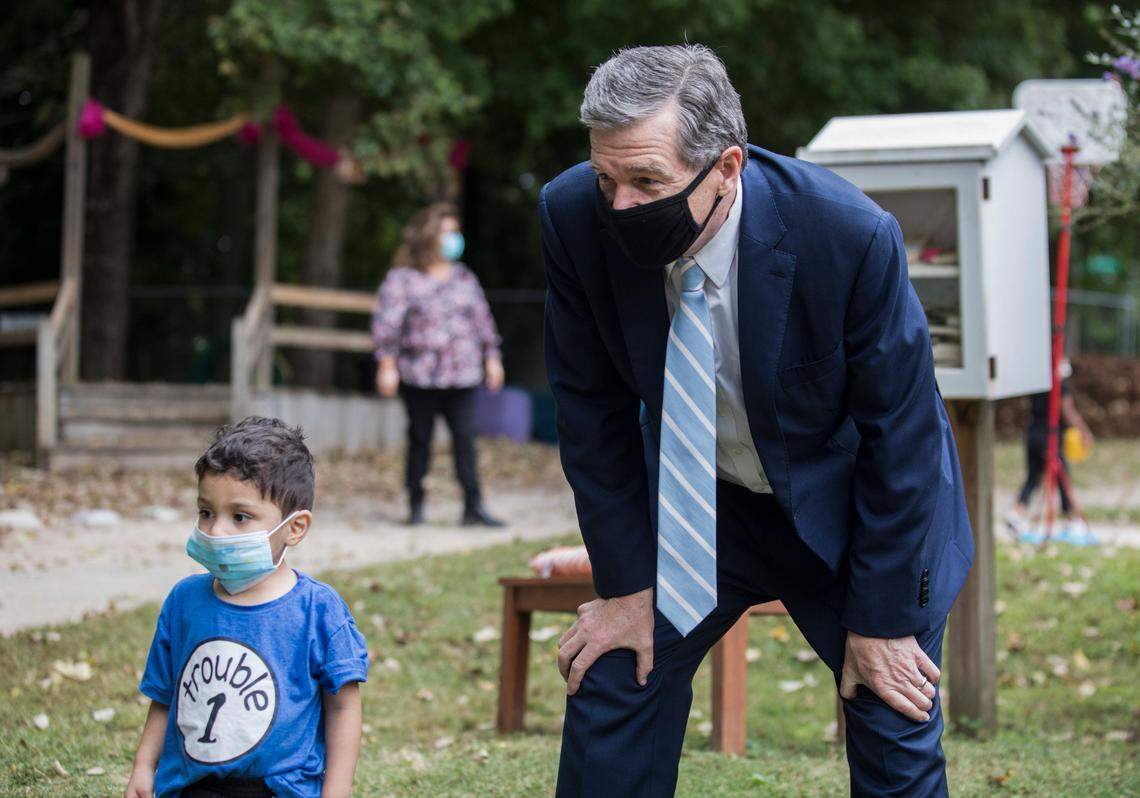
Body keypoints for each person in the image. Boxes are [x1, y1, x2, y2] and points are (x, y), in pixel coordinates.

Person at [541, 44, 973, 797]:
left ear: (727, 169)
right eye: (607, 177)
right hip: (697, 504)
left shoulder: (848, 237)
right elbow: (592, 410)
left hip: (853, 508)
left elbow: (901, 438)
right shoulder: (573, 217)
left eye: (648, 181)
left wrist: (878, 622)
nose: (620, 207)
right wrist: (625, 587)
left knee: (888, 708)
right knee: (615, 674)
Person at [124, 417, 369, 798]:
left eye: (240, 517)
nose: (216, 530)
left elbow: (343, 709)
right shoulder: (183, 601)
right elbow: (164, 695)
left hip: (280, 789)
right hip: (192, 787)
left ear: (295, 527)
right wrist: (144, 766)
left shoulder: (319, 611)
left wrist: (337, 792)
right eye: (206, 512)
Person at [371, 202, 506, 527]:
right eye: (447, 232)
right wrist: (386, 365)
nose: (454, 239)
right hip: (420, 376)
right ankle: (415, 504)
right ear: (429, 236)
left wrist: (493, 359)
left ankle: (473, 506)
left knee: (465, 439)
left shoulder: (464, 277)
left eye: (455, 232)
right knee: (420, 438)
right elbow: (387, 326)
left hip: (463, 374)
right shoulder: (403, 279)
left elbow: (482, 321)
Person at [1006, 357, 1095, 542]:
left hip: (1033, 435)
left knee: (1033, 478)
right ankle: (1071, 520)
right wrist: (1084, 431)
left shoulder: (1039, 384)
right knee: (1062, 476)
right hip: (1050, 437)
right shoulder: (1059, 386)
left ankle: (1016, 514)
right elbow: (1067, 410)